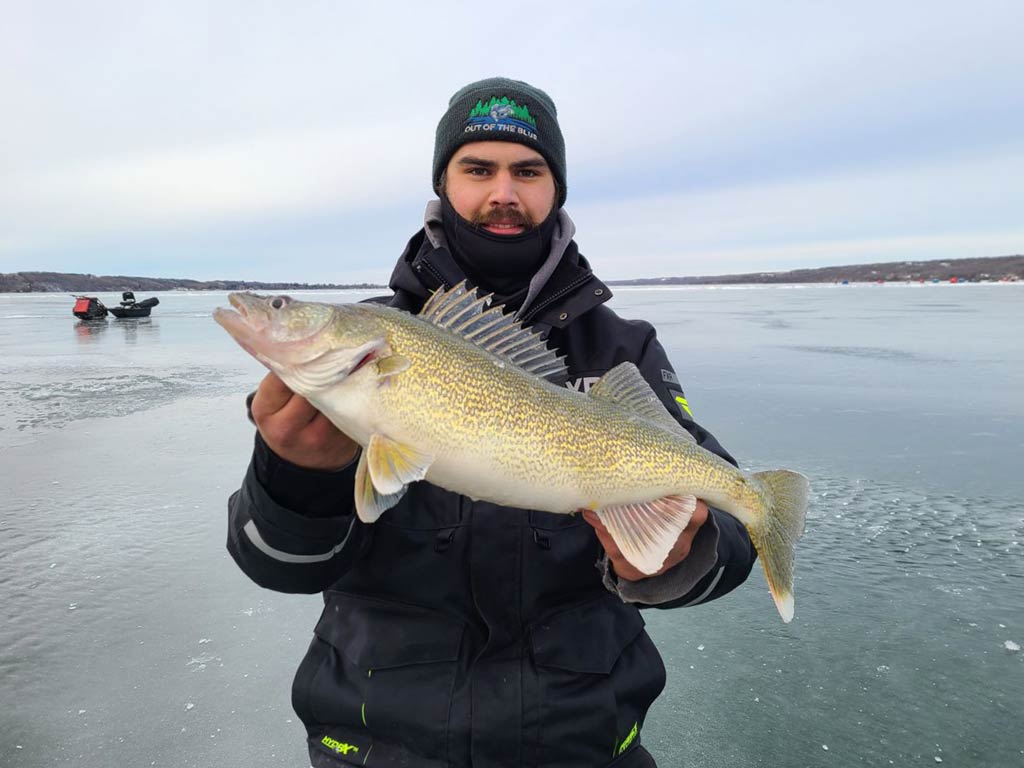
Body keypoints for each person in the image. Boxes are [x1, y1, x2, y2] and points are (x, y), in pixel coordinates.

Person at [226, 77, 757, 768]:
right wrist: (294, 475)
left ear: (555, 190)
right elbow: (276, 565)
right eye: (478, 169)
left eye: (527, 171)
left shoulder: (621, 349)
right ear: (443, 184)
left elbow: (733, 540)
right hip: (377, 747)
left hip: (582, 746)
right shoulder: (371, 344)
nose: (503, 192)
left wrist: (686, 551)